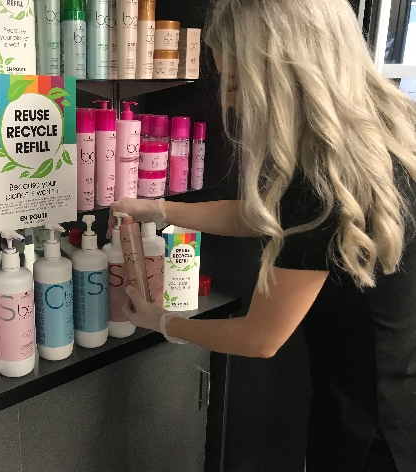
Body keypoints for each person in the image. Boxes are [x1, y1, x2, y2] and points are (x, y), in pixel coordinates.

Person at [110, 0, 416, 470]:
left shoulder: (322, 180)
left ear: (287, 73)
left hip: (369, 430)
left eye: (236, 83)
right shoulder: (389, 130)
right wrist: (157, 208)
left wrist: (162, 322)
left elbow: (260, 337)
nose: (229, 101)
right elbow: (271, 218)